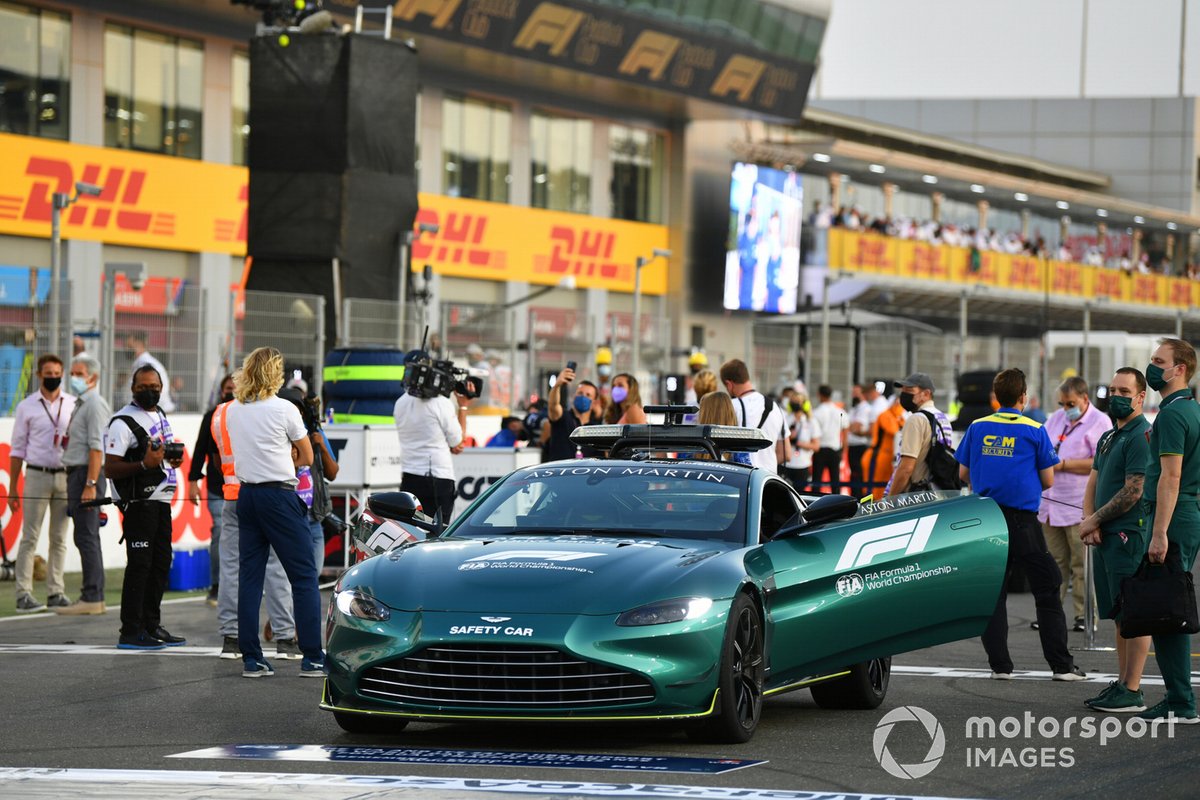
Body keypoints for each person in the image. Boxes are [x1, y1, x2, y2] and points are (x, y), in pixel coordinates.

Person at [956, 368, 1084, 682]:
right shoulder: (1035, 429)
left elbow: (962, 474)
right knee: (1048, 587)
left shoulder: (977, 426)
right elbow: (1048, 478)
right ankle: (1061, 666)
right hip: (1024, 521)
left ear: (995, 397)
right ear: (1024, 397)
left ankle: (1000, 666)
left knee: (994, 594)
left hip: (986, 520)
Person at [225, 347, 323, 678]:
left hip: (247, 495)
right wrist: (286, 457)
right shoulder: (285, 409)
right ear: (275, 373)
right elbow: (307, 456)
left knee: (250, 579)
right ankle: (312, 655)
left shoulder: (234, 409)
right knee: (304, 576)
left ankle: (251, 657)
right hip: (279, 496)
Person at [211, 374, 301, 662]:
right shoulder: (271, 409)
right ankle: (285, 637)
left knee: (232, 568)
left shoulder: (223, 411)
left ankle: (231, 637)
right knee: (276, 568)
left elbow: (217, 456)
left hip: (233, 493)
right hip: (266, 492)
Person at [1079, 367, 1151, 713]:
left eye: (1125, 391)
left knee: (1134, 613)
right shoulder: (1110, 435)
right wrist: (1089, 520)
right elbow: (1094, 480)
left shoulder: (1141, 435)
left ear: (1141, 397)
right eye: (1113, 389)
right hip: (1105, 532)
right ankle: (1122, 682)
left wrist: (1095, 518)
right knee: (1120, 613)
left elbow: (1133, 491)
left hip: (1127, 534)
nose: (1117, 396)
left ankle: (1133, 689)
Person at [1136, 338, 1200, 722]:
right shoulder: (1190, 408)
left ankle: (1180, 700)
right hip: (1185, 511)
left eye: (1159, 362)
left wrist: (1159, 532)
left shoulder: (1174, 414)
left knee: (1166, 609)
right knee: (1168, 605)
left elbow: (1170, 477)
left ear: (1180, 369)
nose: (1152, 367)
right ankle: (1179, 696)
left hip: (1173, 515)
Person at [103, 365, 185, 649]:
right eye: (142, 386)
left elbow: (159, 453)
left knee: (161, 563)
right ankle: (130, 630)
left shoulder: (160, 414)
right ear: (132, 388)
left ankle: (151, 624)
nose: (149, 391)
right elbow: (110, 468)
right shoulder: (122, 422)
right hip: (139, 504)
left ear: (161, 388)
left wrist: (171, 460)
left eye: (154, 386)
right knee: (140, 565)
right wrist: (143, 464)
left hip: (161, 500)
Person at [1038, 376, 1110, 632]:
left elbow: (1101, 461)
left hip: (1078, 504)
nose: (1067, 408)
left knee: (1081, 565)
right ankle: (1050, 612)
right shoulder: (1055, 418)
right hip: (1050, 503)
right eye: (1063, 403)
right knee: (1053, 562)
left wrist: (1064, 465)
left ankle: (1085, 615)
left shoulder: (1100, 422)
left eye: (1071, 403)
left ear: (1084, 399)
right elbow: (1042, 446)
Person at [8, 354, 75, 612]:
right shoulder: (26, 406)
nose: (52, 377)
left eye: (56, 372)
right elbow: (17, 450)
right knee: (30, 536)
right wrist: (13, 488)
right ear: (39, 375)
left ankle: (55, 591)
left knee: (59, 537)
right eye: (47, 373)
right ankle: (23, 593)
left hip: (65, 475)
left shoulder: (72, 403)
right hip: (36, 474)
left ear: (62, 373)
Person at [56, 354, 111, 615]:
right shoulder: (82, 404)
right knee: (84, 536)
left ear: (93, 377)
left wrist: (90, 483)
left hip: (85, 476)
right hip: (78, 473)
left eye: (79, 373)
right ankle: (92, 594)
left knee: (87, 535)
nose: (73, 378)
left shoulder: (94, 405)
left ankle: (92, 595)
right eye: (73, 373)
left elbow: (96, 448)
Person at [393, 363, 467, 523]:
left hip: (409, 477)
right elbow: (458, 444)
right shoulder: (441, 403)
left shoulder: (400, 402)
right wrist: (464, 406)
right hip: (438, 478)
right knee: (438, 533)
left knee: (409, 531)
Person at [280, 386, 339, 574]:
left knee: (312, 576)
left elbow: (332, 473)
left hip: (314, 517)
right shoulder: (277, 435)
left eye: (297, 410)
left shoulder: (314, 433)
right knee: (291, 576)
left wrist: (320, 445)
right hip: (289, 516)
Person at [189, 375, 234, 606]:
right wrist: (193, 480)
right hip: (217, 488)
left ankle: (235, 585)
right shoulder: (212, 416)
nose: (231, 392)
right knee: (219, 533)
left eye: (235, 389)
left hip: (241, 488)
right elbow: (199, 451)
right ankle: (216, 585)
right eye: (228, 389)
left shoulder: (246, 416)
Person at [718, 359, 790, 474]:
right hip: (769, 480)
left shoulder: (731, 407)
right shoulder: (775, 407)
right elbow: (786, 453)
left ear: (729, 384)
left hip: (741, 479)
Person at [885, 373, 952, 496]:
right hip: (936, 491)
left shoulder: (916, 419)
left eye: (910, 390)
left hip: (914, 495)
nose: (904, 395)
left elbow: (906, 468)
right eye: (903, 390)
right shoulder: (943, 418)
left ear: (926, 394)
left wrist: (889, 501)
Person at [542, 366, 600, 462]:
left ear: (594, 402)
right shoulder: (562, 417)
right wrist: (557, 385)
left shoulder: (596, 428)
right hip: (560, 472)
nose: (583, 396)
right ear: (574, 396)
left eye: (588, 395)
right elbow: (553, 405)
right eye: (580, 393)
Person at [847, 381, 888, 495]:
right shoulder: (881, 404)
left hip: (875, 447)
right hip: (879, 447)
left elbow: (871, 431)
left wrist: (857, 432)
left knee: (864, 476)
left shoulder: (875, 408)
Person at [863, 394, 904, 501]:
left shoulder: (899, 417)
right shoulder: (886, 415)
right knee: (875, 491)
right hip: (877, 457)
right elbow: (894, 431)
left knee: (885, 489)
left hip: (889, 458)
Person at [694, 392, 750, 465]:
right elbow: (747, 472)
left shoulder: (691, 446)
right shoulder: (740, 447)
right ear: (730, 412)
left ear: (704, 415)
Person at [810, 384, 847, 493]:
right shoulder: (840, 411)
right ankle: (837, 504)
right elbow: (845, 432)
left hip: (820, 450)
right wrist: (843, 450)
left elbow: (813, 434)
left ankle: (814, 504)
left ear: (819, 395)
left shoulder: (816, 412)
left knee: (816, 481)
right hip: (835, 450)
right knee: (835, 481)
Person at [783, 390, 821, 493]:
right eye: (793, 401)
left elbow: (816, 446)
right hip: (786, 464)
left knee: (800, 493)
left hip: (802, 464)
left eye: (798, 401)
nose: (795, 404)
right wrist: (789, 437)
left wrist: (801, 443)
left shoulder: (811, 421)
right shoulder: (785, 419)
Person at [125, 334, 175, 412]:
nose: (126, 349)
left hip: (154, 411)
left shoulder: (145, 363)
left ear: (139, 344)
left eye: (129, 346)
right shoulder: (142, 362)